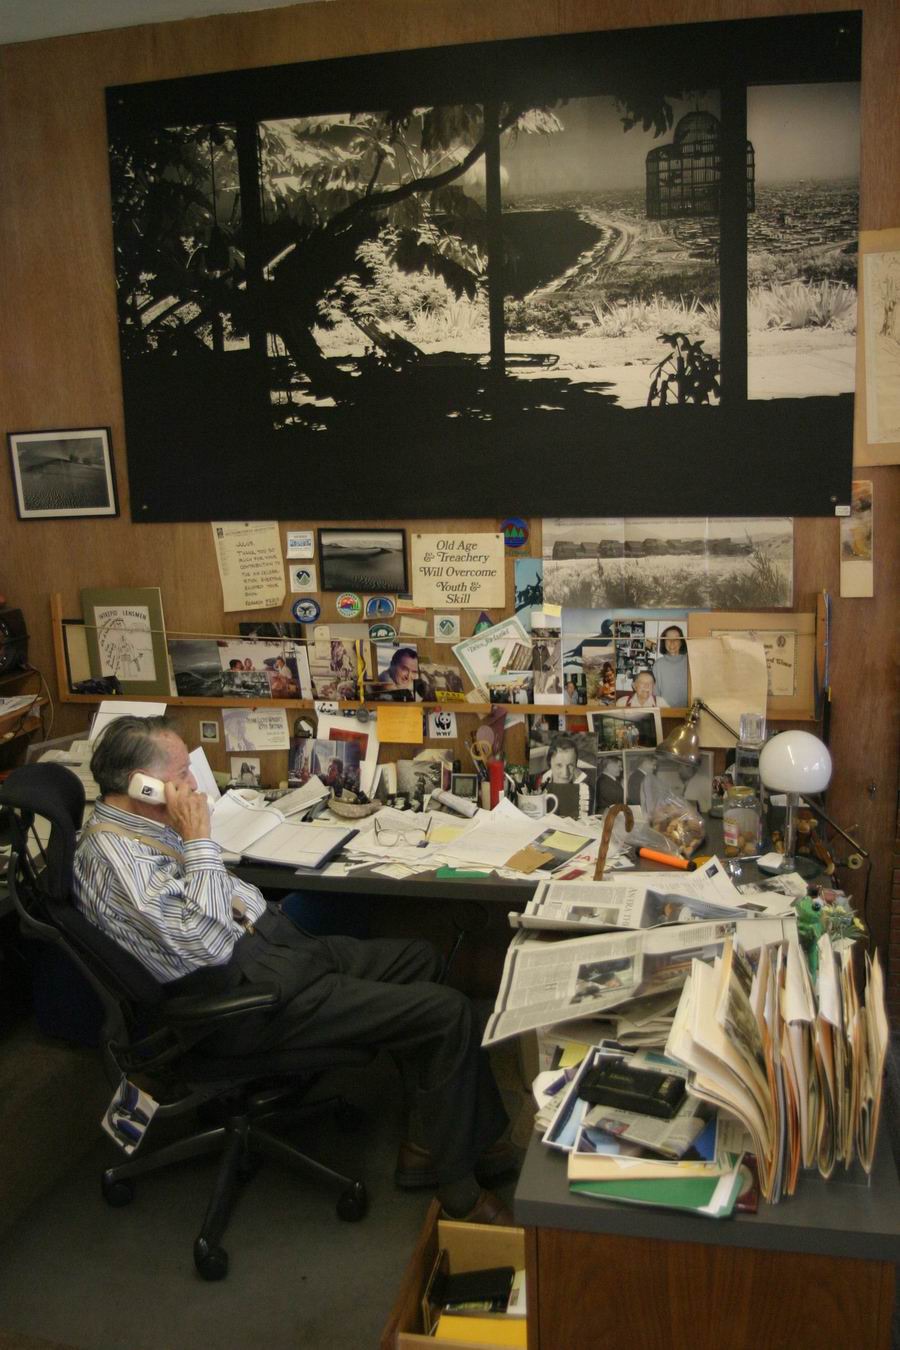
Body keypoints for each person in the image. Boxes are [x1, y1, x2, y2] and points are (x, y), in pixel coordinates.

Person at [73, 716, 515, 1225]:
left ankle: (429, 1140)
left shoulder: (144, 825)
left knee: (422, 958)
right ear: (140, 785)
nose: (194, 785)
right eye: (182, 774)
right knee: (449, 1012)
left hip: (272, 950)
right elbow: (206, 943)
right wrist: (199, 841)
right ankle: (460, 1189)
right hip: (240, 1002)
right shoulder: (115, 858)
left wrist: (195, 843)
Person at [652, 625, 688, 708]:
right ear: (664, 642)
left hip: (687, 712)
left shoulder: (690, 662)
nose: (672, 642)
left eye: (676, 639)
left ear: (681, 642)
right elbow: (655, 693)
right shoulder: (658, 664)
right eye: (668, 639)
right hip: (665, 711)